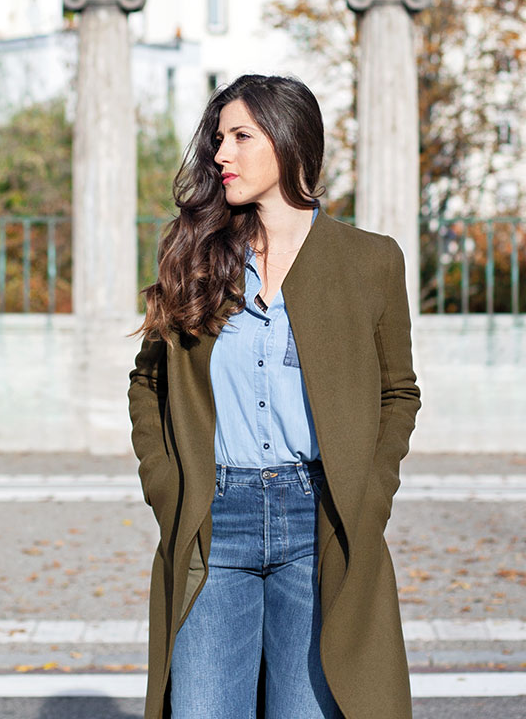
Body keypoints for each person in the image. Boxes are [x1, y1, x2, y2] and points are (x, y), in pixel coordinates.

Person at [128, 73, 421, 719]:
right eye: (217, 139)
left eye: (239, 137)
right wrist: (167, 485)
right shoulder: (196, 256)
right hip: (214, 522)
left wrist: (369, 497)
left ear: (287, 144)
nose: (219, 155)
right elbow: (148, 382)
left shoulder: (371, 261)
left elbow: (398, 392)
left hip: (317, 523)